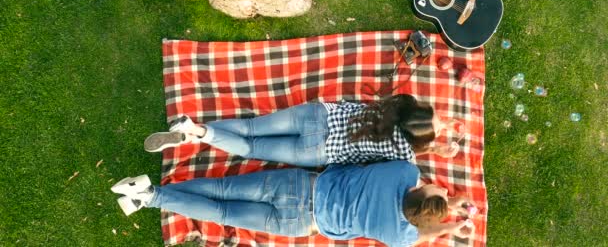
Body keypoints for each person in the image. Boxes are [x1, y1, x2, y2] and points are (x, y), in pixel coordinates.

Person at [111, 160, 475, 246]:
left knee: (224, 188)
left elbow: (425, 187)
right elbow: (425, 234)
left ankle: (149, 192)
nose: (440, 189)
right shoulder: (402, 237)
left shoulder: (404, 173)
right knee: (223, 213)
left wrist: (452, 199)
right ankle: (150, 196)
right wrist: (453, 226)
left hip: (301, 185)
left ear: (424, 191)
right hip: (299, 225)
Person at [143, 94, 461, 167]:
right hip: (320, 151)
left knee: (252, 127)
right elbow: (419, 149)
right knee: (252, 150)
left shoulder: (396, 105)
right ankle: (199, 135)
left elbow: (424, 114)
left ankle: (195, 129)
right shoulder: (404, 152)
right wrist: (436, 147)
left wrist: (437, 121)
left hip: (317, 115)